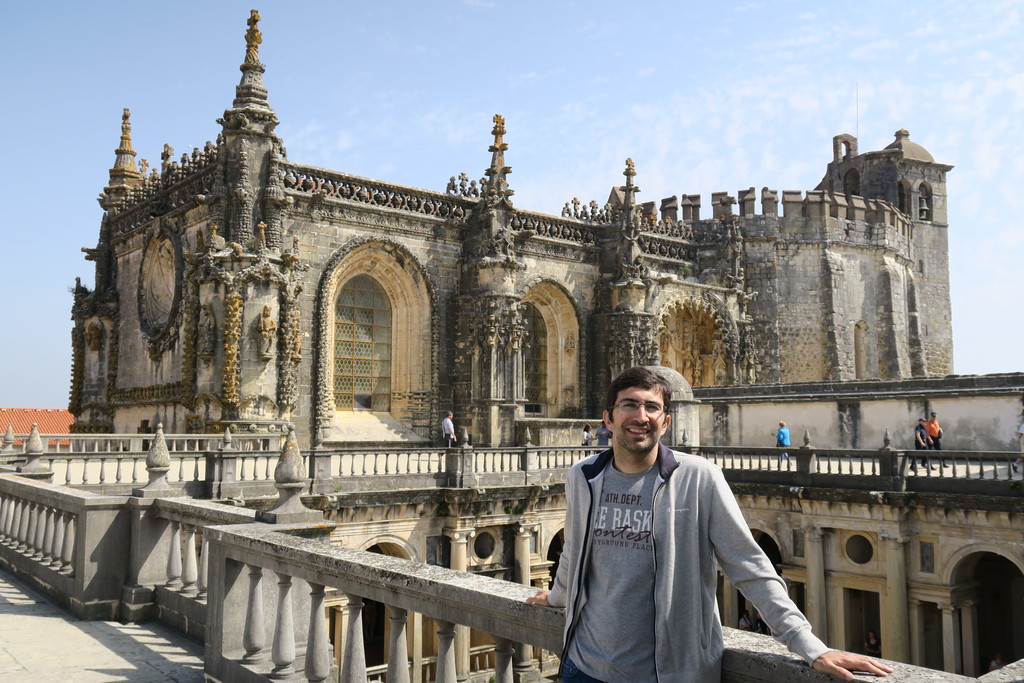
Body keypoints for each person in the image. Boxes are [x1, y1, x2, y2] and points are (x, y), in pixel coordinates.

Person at [525, 366, 891, 682]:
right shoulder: (583, 476)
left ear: (666, 422)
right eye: (629, 405)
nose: (641, 415)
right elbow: (575, 552)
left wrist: (809, 646)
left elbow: (749, 566)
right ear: (608, 419)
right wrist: (558, 597)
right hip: (584, 669)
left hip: (669, 675)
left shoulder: (699, 478)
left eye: (652, 407)